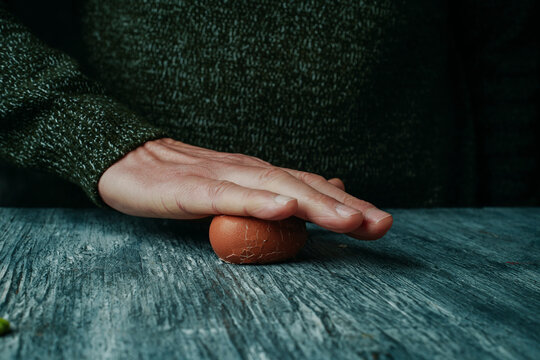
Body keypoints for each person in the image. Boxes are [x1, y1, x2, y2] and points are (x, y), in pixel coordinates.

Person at [1, 1, 538, 241]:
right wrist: (91, 135)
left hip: (426, 234)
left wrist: (511, 223)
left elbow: (510, 44)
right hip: (93, 232)